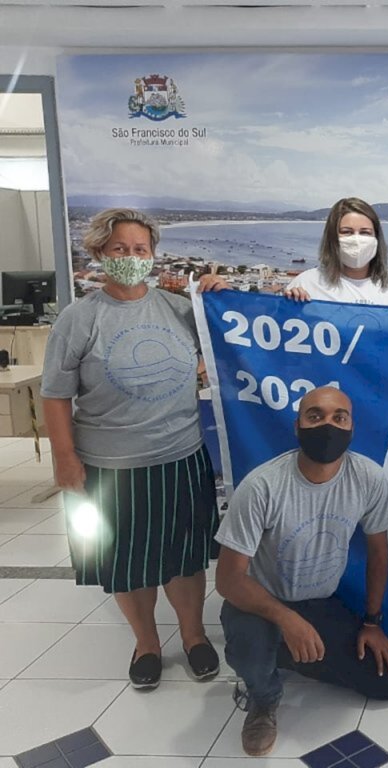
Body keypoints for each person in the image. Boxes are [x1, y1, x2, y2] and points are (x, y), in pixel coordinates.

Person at [41, 208, 220, 690]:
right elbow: (55, 394)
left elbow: (227, 346)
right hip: (108, 465)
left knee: (185, 558)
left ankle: (195, 635)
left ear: (153, 255)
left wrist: (218, 300)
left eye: (141, 249)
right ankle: (146, 643)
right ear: (99, 253)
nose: (131, 258)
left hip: (180, 456)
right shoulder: (80, 319)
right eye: (120, 249)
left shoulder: (181, 309)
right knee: (127, 563)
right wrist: (64, 457)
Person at [215, 385, 388, 757]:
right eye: (315, 416)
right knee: (252, 644)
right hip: (258, 602)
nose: (328, 426)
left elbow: (378, 554)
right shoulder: (262, 486)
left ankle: (284, 653)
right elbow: (227, 579)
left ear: (352, 427)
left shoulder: (367, 477)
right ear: (297, 426)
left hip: (318, 602)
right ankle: (262, 695)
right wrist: (286, 619)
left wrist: (372, 623)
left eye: (339, 417)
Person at [200, 197, 388, 306]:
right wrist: (228, 298)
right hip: (328, 397)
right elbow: (270, 336)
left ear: (377, 238)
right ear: (332, 238)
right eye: (346, 232)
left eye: (365, 232)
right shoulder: (306, 283)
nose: (357, 240)